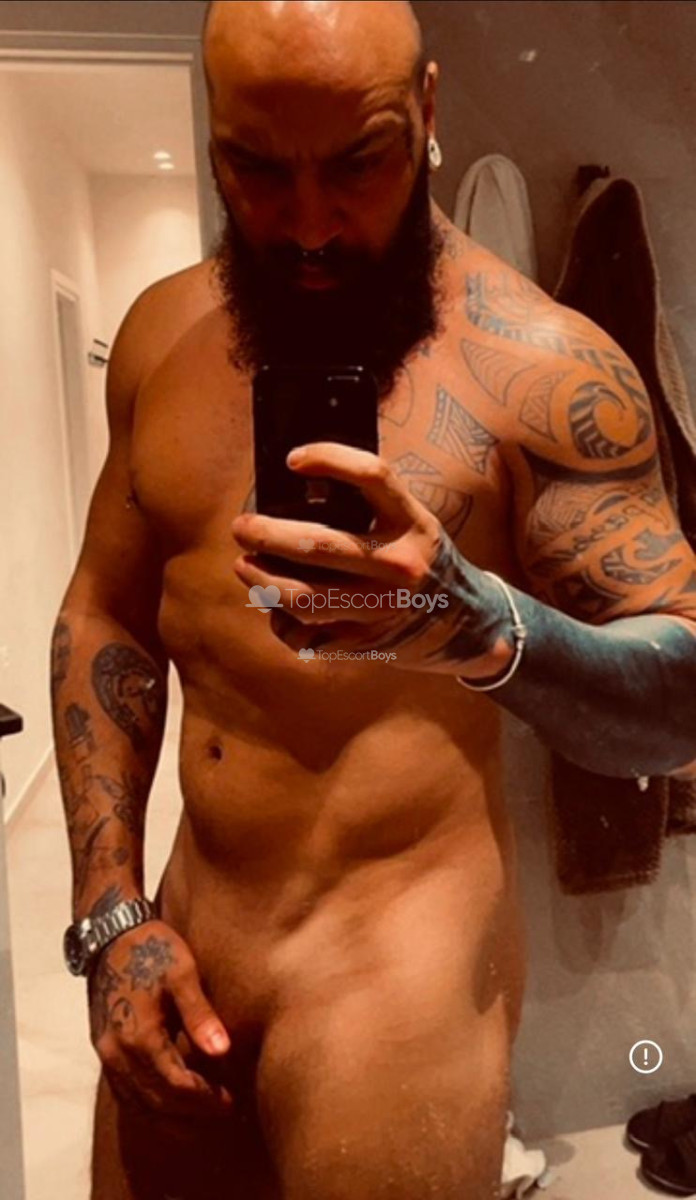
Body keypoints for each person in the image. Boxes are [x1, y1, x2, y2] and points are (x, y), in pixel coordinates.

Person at [50, 2, 696, 1198]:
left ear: (429, 111)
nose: (308, 225)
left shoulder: (544, 368)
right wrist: (109, 912)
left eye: (359, 161)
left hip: (398, 973)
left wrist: (484, 626)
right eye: (256, 166)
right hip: (182, 931)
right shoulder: (157, 337)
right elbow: (105, 615)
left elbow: (679, 705)